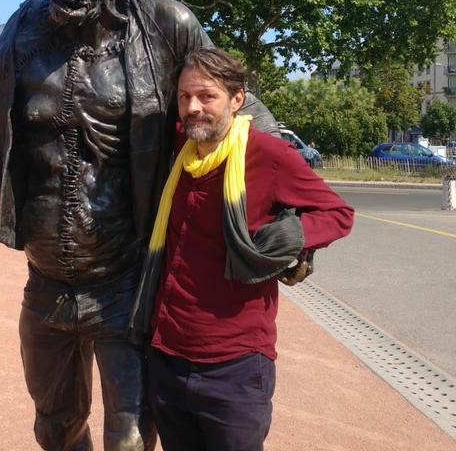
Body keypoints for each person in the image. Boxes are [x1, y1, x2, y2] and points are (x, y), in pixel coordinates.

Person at [0, 0, 279, 451]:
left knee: (130, 438)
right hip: (46, 288)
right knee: (55, 431)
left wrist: (288, 216)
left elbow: (249, 117)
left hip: (127, 284)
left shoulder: (164, 25)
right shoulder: (20, 40)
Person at [129, 47, 354, 451]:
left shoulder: (268, 155)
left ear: (236, 98)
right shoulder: (181, 150)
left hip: (234, 369)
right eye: (184, 97)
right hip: (167, 355)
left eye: (206, 96)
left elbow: (338, 213)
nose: (193, 107)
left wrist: (292, 238)